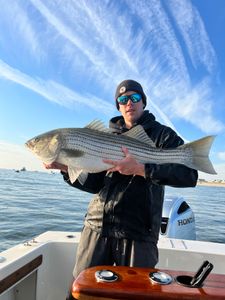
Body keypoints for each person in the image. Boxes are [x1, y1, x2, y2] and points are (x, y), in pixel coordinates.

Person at [45, 79, 198, 299]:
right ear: (118, 105)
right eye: (123, 99)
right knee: (82, 293)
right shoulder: (104, 137)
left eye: (135, 98)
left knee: (136, 295)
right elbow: (94, 185)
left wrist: (141, 169)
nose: (129, 103)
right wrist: (65, 169)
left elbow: (189, 175)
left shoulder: (163, 136)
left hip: (139, 234)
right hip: (97, 227)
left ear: (143, 102)